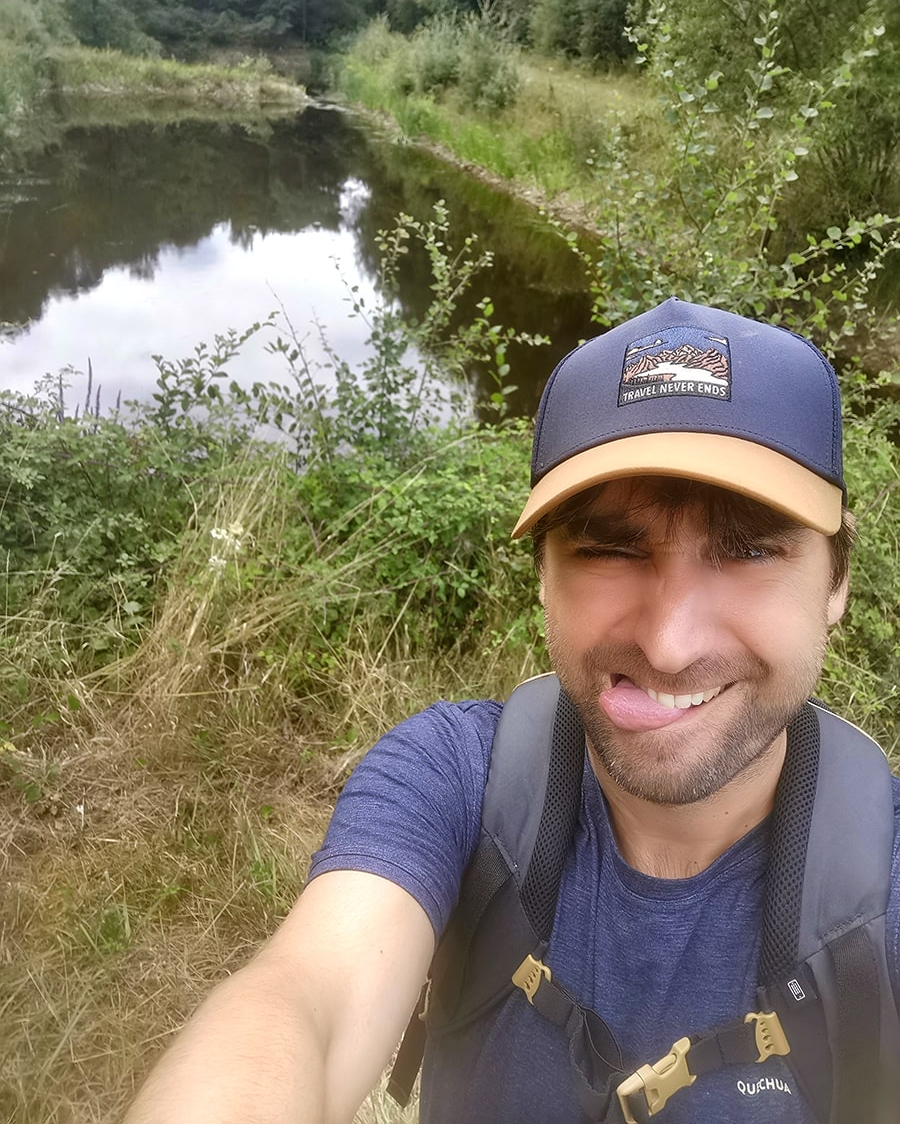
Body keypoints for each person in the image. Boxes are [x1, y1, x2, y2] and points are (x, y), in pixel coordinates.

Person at [124, 297, 900, 1124]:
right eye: (608, 548)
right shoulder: (456, 781)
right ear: (542, 577)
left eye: (748, 550)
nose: (670, 644)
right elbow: (306, 996)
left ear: (837, 578)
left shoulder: (878, 884)